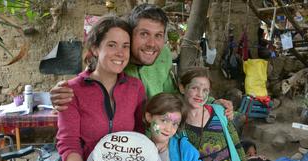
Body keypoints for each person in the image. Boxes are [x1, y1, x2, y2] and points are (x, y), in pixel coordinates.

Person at [49, 3, 234, 121]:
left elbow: (173, 91)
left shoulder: (164, 56)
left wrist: (210, 100)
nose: (152, 44)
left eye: (158, 36)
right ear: (130, 33)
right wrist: (65, 90)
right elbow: (93, 74)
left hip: (163, 130)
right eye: (144, 34)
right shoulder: (119, 60)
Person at [55, 15, 146, 161]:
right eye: (112, 45)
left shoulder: (136, 87)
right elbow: (69, 144)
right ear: (95, 48)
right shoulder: (71, 90)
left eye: (125, 46)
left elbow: (140, 134)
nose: (120, 53)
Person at [179, 67, 252, 161]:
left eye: (205, 90)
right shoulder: (177, 124)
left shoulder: (219, 113)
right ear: (182, 88)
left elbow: (236, 144)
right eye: (194, 88)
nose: (200, 94)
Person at [145, 92, 205, 161]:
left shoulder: (187, 152)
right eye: (164, 120)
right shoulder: (137, 149)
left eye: (175, 124)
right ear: (149, 117)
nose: (168, 129)